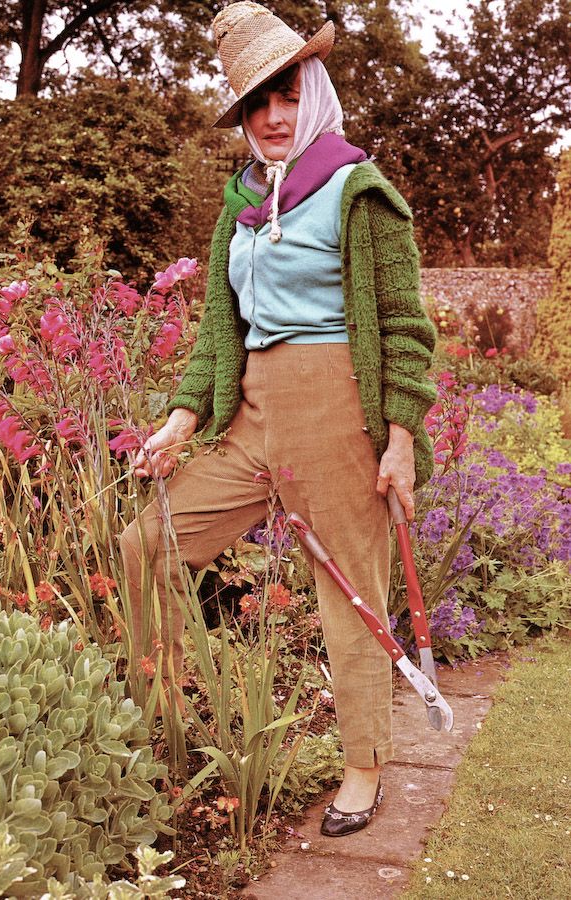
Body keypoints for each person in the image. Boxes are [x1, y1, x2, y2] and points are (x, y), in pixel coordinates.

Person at [120, 0, 437, 838]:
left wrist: (399, 440)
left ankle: (364, 769)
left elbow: (405, 329)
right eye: (255, 104)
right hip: (254, 414)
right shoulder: (242, 204)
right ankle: (162, 710)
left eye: (285, 93)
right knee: (145, 542)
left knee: (353, 597)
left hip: (337, 413)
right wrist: (184, 421)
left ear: (314, 88)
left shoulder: (358, 191)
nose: (272, 116)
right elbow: (218, 329)